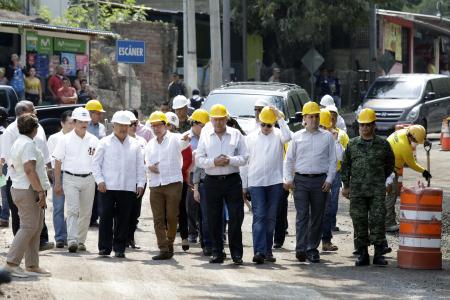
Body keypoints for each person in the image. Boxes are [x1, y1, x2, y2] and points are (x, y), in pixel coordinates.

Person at [195, 104, 249, 265]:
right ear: (211, 120)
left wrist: (229, 160)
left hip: (232, 180)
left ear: (226, 119)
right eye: (215, 120)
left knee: (235, 217)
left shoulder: (236, 134)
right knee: (213, 218)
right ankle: (217, 252)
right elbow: (199, 159)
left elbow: (245, 157)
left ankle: (236, 253)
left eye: (221, 120)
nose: (218, 123)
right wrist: (214, 162)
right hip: (212, 181)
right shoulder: (205, 135)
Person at [284, 101, 336, 263]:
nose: (313, 119)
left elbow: (332, 161)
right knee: (302, 215)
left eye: (316, 116)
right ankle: (301, 248)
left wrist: (329, 179)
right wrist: (289, 179)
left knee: (317, 217)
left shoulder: (327, 137)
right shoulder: (297, 137)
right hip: (301, 181)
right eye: (310, 116)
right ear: (304, 118)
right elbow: (289, 160)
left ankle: (312, 248)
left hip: (320, 181)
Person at [341, 108, 394, 266]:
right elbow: (345, 166)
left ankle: (379, 253)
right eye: (362, 125)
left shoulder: (383, 144)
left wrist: (382, 179)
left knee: (378, 220)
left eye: (368, 125)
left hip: (377, 190)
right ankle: (362, 253)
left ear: (373, 125)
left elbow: (390, 164)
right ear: (358, 126)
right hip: (357, 191)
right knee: (359, 221)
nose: (365, 128)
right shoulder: (352, 144)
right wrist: (346, 185)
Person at [1, 101, 54, 251]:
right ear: (23, 112)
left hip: (38, 178)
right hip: (22, 182)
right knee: (23, 220)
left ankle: (39, 245)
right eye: (32, 109)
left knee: (38, 217)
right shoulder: (11, 132)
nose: (36, 111)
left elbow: (45, 151)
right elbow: (7, 159)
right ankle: (17, 253)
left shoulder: (38, 127)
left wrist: (48, 170)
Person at [241, 106, 291, 264]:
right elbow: (244, 163)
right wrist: (244, 185)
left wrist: (279, 118)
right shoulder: (250, 137)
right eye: (263, 124)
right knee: (259, 216)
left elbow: (289, 136)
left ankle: (267, 250)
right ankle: (259, 251)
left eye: (269, 125)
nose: (265, 128)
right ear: (259, 122)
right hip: (256, 183)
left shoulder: (278, 135)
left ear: (273, 124)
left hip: (275, 182)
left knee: (270, 218)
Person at [93, 111, 145, 258]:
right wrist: (100, 181)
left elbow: (140, 166)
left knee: (124, 219)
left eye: (125, 125)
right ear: (113, 125)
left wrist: (140, 183)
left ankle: (120, 248)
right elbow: (95, 164)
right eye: (119, 125)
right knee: (105, 217)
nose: (122, 128)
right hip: (107, 187)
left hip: (127, 187)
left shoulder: (135, 144)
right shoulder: (104, 142)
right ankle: (104, 248)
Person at [145, 111, 190, 260]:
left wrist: (186, 138)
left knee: (171, 216)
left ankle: (169, 242)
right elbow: (146, 162)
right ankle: (163, 248)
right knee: (158, 218)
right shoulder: (150, 144)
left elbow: (184, 141)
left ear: (165, 125)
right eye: (154, 126)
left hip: (173, 183)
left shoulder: (175, 138)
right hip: (155, 184)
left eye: (159, 125)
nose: (156, 128)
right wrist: (149, 167)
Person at [53, 107, 98, 253]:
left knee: (86, 212)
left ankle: (80, 241)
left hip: (89, 179)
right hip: (70, 178)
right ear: (74, 121)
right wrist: (58, 183)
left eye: (86, 121)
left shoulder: (94, 140)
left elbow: (98, 162)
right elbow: (58, 162)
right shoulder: (64, 140)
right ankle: (71, 240)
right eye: (81, 121)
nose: (84, 124)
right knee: (72, 210)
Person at [385, 125, 431, 232]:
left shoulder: (405, 131)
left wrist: (424, 140)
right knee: (391, 195)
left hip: (385, 163)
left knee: (388, 194)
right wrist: (424, 171)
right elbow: (412, 164)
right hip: (388, 170)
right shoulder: (404, 147)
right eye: (416, 142)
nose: (416, 145)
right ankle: (388, 223)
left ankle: (385, 220)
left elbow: (417, 134)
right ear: (411, 138)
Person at [165, 111, 193, 251]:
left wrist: (179, 170)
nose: (168, 127)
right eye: (166, 124)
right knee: (172, 209)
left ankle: (183, 238)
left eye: (169, 124)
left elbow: (187, 158)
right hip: (169, 178)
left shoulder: (179, 138)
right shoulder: (162, 139)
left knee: (180, 209)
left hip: (178, 179)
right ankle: (173, 237)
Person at [47, 110, 74, 248]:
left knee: (73, 208)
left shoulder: (78, 138)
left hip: (73, 175)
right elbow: (51, 159)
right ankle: (59, 238)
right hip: (59, 174)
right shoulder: (54, 138)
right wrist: (53, 176)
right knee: (58, 207)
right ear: (62, 123)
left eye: (74, 122)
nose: (72, 125)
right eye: (70, 123)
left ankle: (70, 236)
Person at [318, 109, 344, 252]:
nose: (322, 130)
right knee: (311, 213)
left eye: (324, 127)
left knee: (327, 210)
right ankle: (308, 243)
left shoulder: (335, 138)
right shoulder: (308, 137)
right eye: (320, 127)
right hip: (313, 179)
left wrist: (335, 141)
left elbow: (341, 158)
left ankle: (326, 241)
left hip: (329, 178)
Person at [124, 110, 147, 249]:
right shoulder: (121, 139)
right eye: (131, 124)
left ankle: (131, 238)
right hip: (125, 180)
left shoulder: (142, 141)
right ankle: (122, 238)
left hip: (140, 179)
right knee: (123, 211)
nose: (133, 126)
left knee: (135, 211)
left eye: (135, 124)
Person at [189, 109, 211, 255]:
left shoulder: (208, 138)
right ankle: (192, 233)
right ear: (194, 123)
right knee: (191, 207)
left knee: (206, 213)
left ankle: (208, 241)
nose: (203, 129)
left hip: (207, 177)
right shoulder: (186, 138)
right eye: (201, 126)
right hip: (190, 176)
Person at [325, 105, 349, 234]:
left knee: (333, 200)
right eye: (329, 118)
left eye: (334, 118)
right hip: (322, 172)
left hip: (336, 172)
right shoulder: (320, 132)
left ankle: (331, 223)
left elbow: (346, 156)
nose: (331, 121)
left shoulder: (342, 135)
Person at [85, 99, 106, 227]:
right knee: (87, 193)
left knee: (98, 193)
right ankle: (88, 218)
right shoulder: (84, 126)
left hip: (99, 165)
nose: (100, 116)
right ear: (90, 113)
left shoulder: (102, 127)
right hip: (86, 164)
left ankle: (94, 218)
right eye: (98, 113)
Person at [0, 107, 10, 227]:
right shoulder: (7, 131)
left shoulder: (4, 133)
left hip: (2, 166)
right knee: (4, 193)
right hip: (4, 165)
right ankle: (4, 216)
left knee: (4, 193)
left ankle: (4, 216)